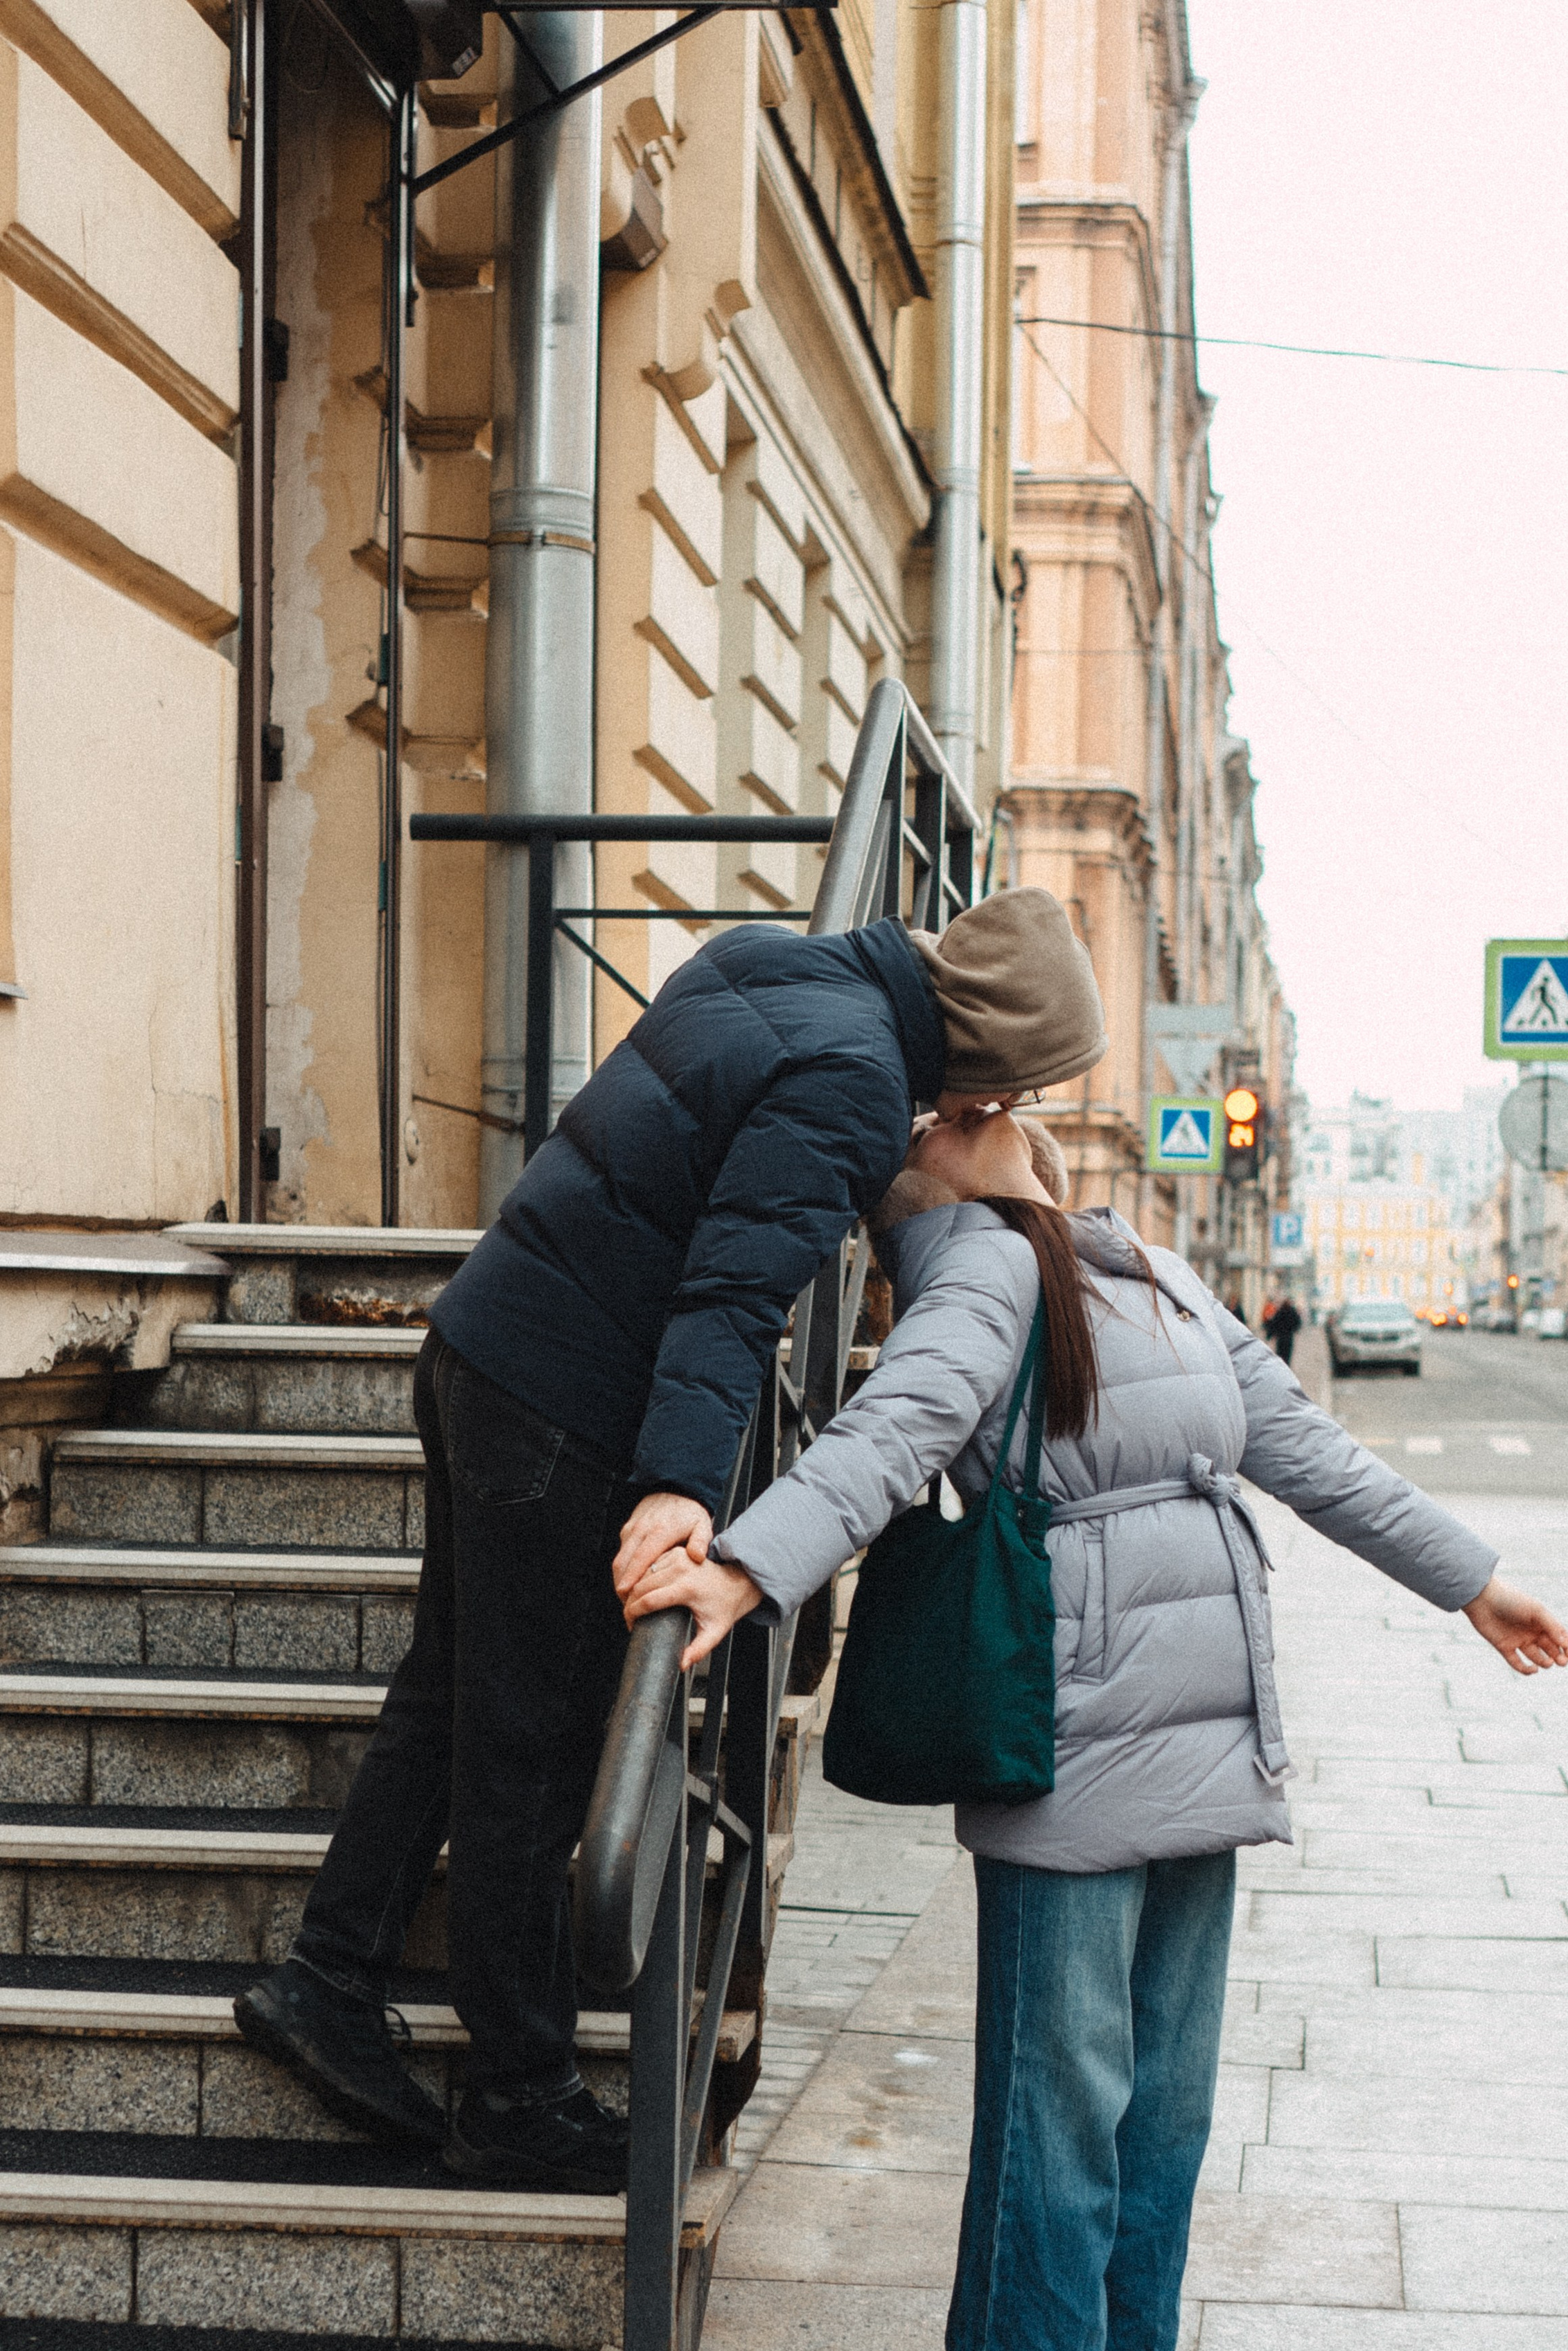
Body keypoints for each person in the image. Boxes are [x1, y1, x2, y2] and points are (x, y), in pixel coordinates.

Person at [626, 1110, 1568, 2351]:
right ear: (922, 1172)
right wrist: (750, 1567)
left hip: (1205, 1738)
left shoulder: (1150, 1271)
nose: (1022, 1129)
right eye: (969, 1117)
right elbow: (895, 1431)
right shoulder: (978, 1273)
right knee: (1057, 2125)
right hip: (1067, 1739)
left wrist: (1471, 1582)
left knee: (1161, 2122)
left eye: (1012, 1106)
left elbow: (1305, 1451)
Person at [234, 891, 1108, 2190]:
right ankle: (517, 2095)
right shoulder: (859, 1082)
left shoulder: (771, 961)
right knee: (531, 1754)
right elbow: (733, 1289)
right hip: (568, 1408)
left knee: (444, 1698)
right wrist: (679, 1486)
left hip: (484, 1342)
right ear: (990, 1058)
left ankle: (330, 1978)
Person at [1265, 1286, 1302, 1363]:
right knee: (1287, 1355)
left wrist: (1270, 1335)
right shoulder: (1293, 1312)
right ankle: (1286, 1369)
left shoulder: (1280, 1311)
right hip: (1288, 1337)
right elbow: (1298, 1323)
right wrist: (1295, 1329)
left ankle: (1282, 1369)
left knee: (1281, 1354)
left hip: (1281, 1337)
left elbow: (1274, 1324)